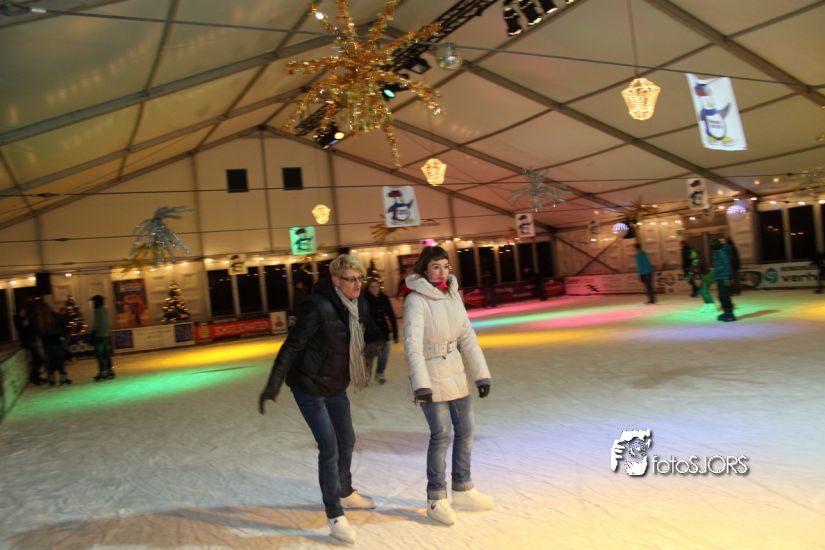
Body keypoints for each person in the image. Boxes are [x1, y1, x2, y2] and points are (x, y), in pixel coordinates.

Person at [258, 254, 376, 545]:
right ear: (336, 281)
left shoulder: (359, 305)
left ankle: (344, 491)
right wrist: (273, 385)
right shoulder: (317, 307)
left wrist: (375, 343)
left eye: (360, 279)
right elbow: (291, 347)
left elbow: (370, 333)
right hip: (309, 387)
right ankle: (335, 515)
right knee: (329, 446)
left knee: (347, 440)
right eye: (351, 279)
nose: (357, 284)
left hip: (336, 385)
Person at [403, 246, 494, 526]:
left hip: (455, 372)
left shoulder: (453, 295)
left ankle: (462, 488)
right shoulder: (416, 300)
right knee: (441, 435)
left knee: (466, 430)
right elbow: (412, 345)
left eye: (445, 266)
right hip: (430, 375)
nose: (442, 272)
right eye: (435, 267)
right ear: (424, 269)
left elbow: (467, 336)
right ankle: (436, 498)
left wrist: (481, 374)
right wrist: (421, 385)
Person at [363, 278, 398, 384]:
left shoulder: (384, 298)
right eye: (372, 287)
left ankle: (379, 374)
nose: (374, 289)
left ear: (379, 287)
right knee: (369, 355)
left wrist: (395, 332)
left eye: (376, 286)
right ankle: (366, 374)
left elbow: (391, 315)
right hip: (371, 333)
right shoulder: (364, 299)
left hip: (384, 332)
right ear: (368, 288)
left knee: (384, 356)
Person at [32, 300, 71, 386]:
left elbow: (37, 333)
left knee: (50, 362)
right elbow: (65, 322)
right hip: (56, 342)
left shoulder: (39, 320)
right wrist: (62, 334)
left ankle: (51, 378)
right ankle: (62, 377)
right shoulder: (54, 316)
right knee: (59, 360)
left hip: (46, 344)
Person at [13, 304, 46, 385]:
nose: (23, 311)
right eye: (22, 310)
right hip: (28, 341)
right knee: (37, 359)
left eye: (24, 310)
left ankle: (35, 376)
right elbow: (23, 326)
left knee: (39, 359)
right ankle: (34, 377)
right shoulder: (18, 319)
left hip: (32, 340)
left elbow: (32, 327)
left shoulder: (26, 318)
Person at [91, 295, 114, 381]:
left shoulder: (97, 311)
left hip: (100, 336)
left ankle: (103, 372)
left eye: (94, 301)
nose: (93, 303)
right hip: (106, 335)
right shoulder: (104, 310)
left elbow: (96, 323)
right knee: (106, 354)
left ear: (97, 302)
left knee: (100, 355)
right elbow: (106, 323)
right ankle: (110, 371)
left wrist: (93, 332)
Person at [711, 239, 735, 322]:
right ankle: (725, 312)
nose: (712, 248)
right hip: (719, 277)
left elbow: (727, 264)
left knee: (725, 296)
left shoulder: (722, 252)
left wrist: (727, 276)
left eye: (713, 246)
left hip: (724, 277)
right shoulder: (716, 252)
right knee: (721, 296)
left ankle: (730, 314)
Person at [688, 248, 715, 312]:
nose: (692, 254)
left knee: (705, 292)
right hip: (699, 278)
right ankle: (706, 305)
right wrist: (690, 274)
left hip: (705, 277)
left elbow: (699, 270)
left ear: (697, 254)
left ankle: (712, 305)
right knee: (702, 292)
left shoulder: (700, 261)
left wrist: (694, 272)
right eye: (692, 253)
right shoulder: (694, 261)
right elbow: (693, 270)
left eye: (693, 253)